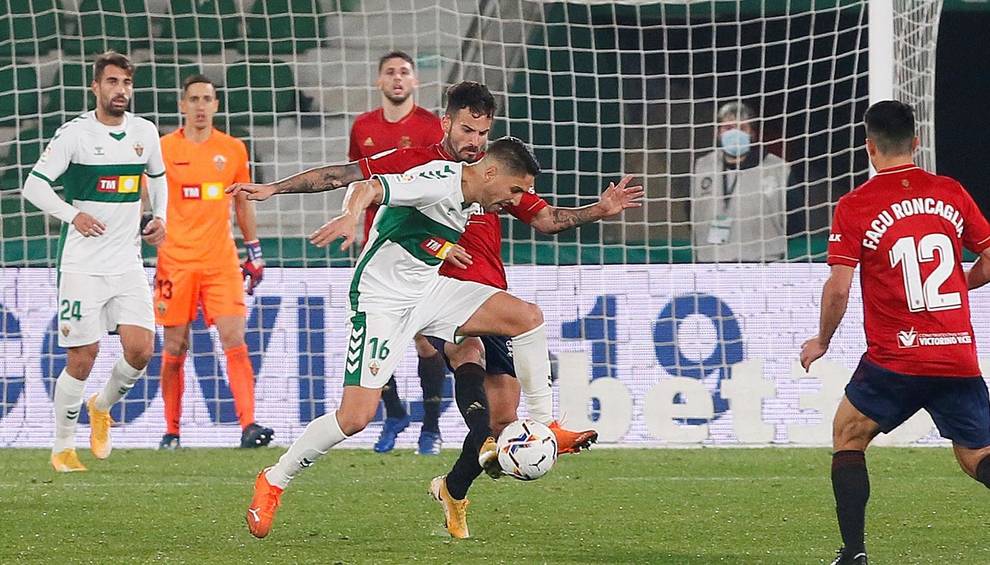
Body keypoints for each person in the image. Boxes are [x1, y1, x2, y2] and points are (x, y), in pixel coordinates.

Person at [230, 81, 642, 538]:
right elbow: (365, 187)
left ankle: (545, 426)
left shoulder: (480, 185)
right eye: (513, 191)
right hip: (383, 300)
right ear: (488, 171)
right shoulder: (432, 176)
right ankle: (274, 478)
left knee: (528, 317)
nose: (513, 201)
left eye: (482, 134)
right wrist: (336, 210)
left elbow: (541, 218)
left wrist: (597, 210)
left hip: (430, 288)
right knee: (354, 418)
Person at [800, 100, 990, 565]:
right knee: (976, 457)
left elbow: (839, 290)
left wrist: (821, 341)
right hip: (955, 355)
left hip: (895, 360)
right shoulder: (950, 192)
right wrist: (957, 285)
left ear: (869, 148)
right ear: (917, 142)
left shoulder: (856, 204)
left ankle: (854, 553)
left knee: (848, 435)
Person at [21, 51, 168, 472]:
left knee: (141, 349)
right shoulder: (75, 134)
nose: (120, 90)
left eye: (126, 83)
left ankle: (101, 407)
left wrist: (161, 219)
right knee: (82, 357)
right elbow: (34, 186)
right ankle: (63, 447)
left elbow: (157, 178)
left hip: (127, 263)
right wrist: (74, 214)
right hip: (81, 266)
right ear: (96, 87)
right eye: (112, 82)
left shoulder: (144, 132)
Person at [155, 74, 274, 450]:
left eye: (207, 98)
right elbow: (149, 201)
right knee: (174, 346)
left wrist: (253, 250)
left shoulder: (233, 149)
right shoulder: (162, 149)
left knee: (234, 337)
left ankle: (249, 425)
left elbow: (243, 203)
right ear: (182, 104)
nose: (201, 105)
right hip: (175, 260)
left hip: (221, 259)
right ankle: (171, 431)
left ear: (217, 105)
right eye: (194, 99)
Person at [348, 50, 446, 455]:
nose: (397, 78)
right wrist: (351, 220)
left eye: (404, 72)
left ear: (415, 81)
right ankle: (393, 412)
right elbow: (356, 179)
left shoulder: (429, 126)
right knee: (373, 331)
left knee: (425, 342)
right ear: (379, 82)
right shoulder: (363, 126)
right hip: (377, 244)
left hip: (420, 246)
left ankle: (431, 427)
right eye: (390, 72)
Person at [691, 101, 791, 262]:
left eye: (742, 128)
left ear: (752, 134)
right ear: (718, 133)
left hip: (764, 263)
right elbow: (691, 211)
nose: (735, 134)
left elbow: (797, 220)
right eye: (728, 128)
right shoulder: (702, 166)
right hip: (710, 262)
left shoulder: (778, 168)